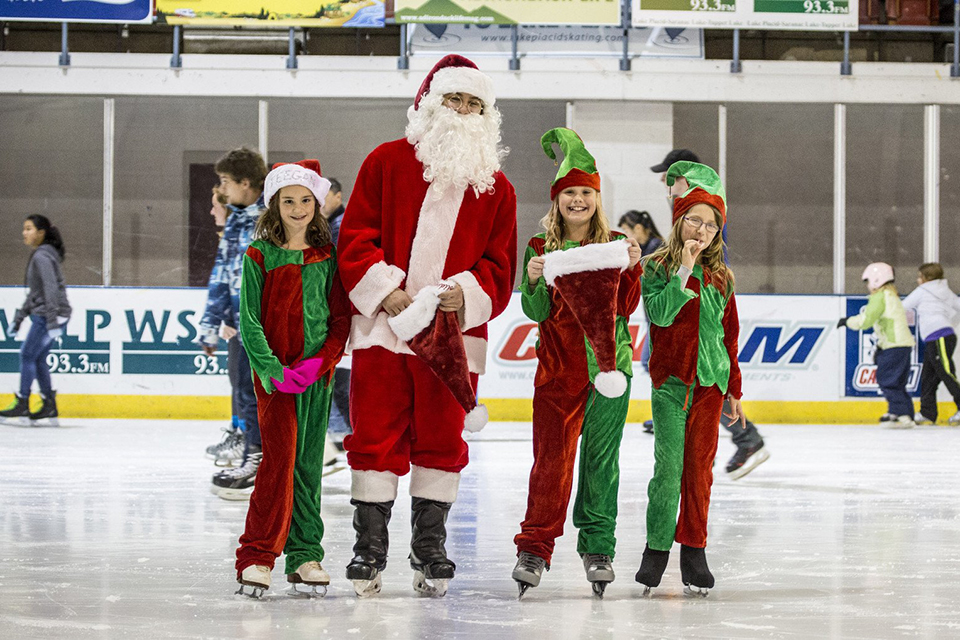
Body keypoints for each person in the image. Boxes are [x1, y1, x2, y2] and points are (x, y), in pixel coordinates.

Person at [337, 54, 517, 598]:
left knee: (441, 439)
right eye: (454, 100)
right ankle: (369, 549)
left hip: (451, 342)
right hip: (383, 334)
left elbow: (499, 263)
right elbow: (355, 236)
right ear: (429, 104)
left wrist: (465, 292)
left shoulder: (497, 188)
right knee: (375, 436)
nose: (463, 111)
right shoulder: (385, 162)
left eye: (473, 103)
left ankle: (429, 547)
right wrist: (384, 291)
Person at [511, 128, 641, 599]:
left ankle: (598, 547)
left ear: (596, 197)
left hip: (610, 372)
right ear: (557, 199)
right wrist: (532, 281)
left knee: (601, 465)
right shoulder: (541, 248)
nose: (578, 200)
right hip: (557, 373)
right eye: (570, 193)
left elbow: (625, 306)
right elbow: (536, 312)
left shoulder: (619, 242)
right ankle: (534, 546)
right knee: (550, 463)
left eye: (586, 192)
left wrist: (631, 266)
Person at [234, 160, 351, 598]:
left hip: (315, 380)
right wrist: (272, 369)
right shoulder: (259, 255)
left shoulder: (327, 256)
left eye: (306, 200)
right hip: (275, 381)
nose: (299, 208)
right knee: (279, 462)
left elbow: (340, 320)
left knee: (307, 466)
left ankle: (305, 555)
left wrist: (319, 365)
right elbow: (249, 321)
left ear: (317, 205)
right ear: (274, 205)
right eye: (289, 201)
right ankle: (258, 555)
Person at [635, 161, 745, 597]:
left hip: (710, 385)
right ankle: (656, 551)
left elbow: (728, 336)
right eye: (695, 220)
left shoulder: (722, 277)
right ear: (680, 220)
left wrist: (733, 387)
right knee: (668, 471)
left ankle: (694, 551)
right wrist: (683, 268)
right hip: (671, 385)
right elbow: (660, 315)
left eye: (711, 224)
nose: (702, 230)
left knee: (699, 472)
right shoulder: (656, 268)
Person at [648, 149, 769, 480]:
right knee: (684, 363)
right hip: (684, 289)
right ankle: (695, 432)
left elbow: (712, 258)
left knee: (702, 369)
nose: (664, 182)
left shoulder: (703, 210)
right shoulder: (692, 207)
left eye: (670, 177)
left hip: (700, 296)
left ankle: (742, 438)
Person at [198, 147, 267, 499]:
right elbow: (222, 276)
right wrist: (210, 326)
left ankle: (267, 461)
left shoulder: (271, 219)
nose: (222, 189)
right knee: (244, 393)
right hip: (241, 327)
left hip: (267, 328)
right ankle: (254, 458)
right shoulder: (238, 220)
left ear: (245, 182)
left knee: (263, 394)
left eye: (225, 181)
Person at [0, 215, 71, 427]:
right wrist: (20, 319)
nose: (24, 233)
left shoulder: (41, 256)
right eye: (24, 228)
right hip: (54, 313)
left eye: (29, 229)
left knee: (27, 354)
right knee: (37, 358)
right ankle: (49, 403)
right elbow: (36, 293)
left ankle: (23, 401)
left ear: (41, 233)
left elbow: (50, 290)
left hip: (50, 315)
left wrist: (50, 321)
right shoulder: (43, 255)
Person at [839, 263, 917, 428]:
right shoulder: (891, 295)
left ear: (876, 280)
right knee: (897, 382)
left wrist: (847, 321)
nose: (868, 285)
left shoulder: (880, 297)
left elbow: (866, 320)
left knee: (888, 380)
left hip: (894, 346)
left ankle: (902, 415)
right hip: (900, 345)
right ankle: (901, 412)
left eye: (868, 281)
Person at [204, 186, 245, 467]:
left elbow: (240, 282)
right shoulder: (230, 236)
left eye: (214, 206)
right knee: (237, 382)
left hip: (246, 326)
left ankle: (244, 439)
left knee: (243, 383)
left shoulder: (242, 235)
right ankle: (238, 433)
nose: (211, 211)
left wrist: (230, 319)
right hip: (236, 323)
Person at [901, 263, 960, 426]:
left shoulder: (923, 291)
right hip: (940, 336)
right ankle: (927, 412)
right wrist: (951, 323)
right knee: (928, 377)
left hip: (939, 337)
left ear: (927, 278)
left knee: (946, 373)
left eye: (919, 276)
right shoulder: (945, 290)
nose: (917, 279)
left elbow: (903, 306)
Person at [320, 178, 353, 450]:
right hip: (339, 311)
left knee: (338, 381)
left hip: (342, 312)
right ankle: (345, 431)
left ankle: (344, 432)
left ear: (338, 197)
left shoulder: (340, 226)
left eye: (324, 196)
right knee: (339, 380)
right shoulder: (331, 225)